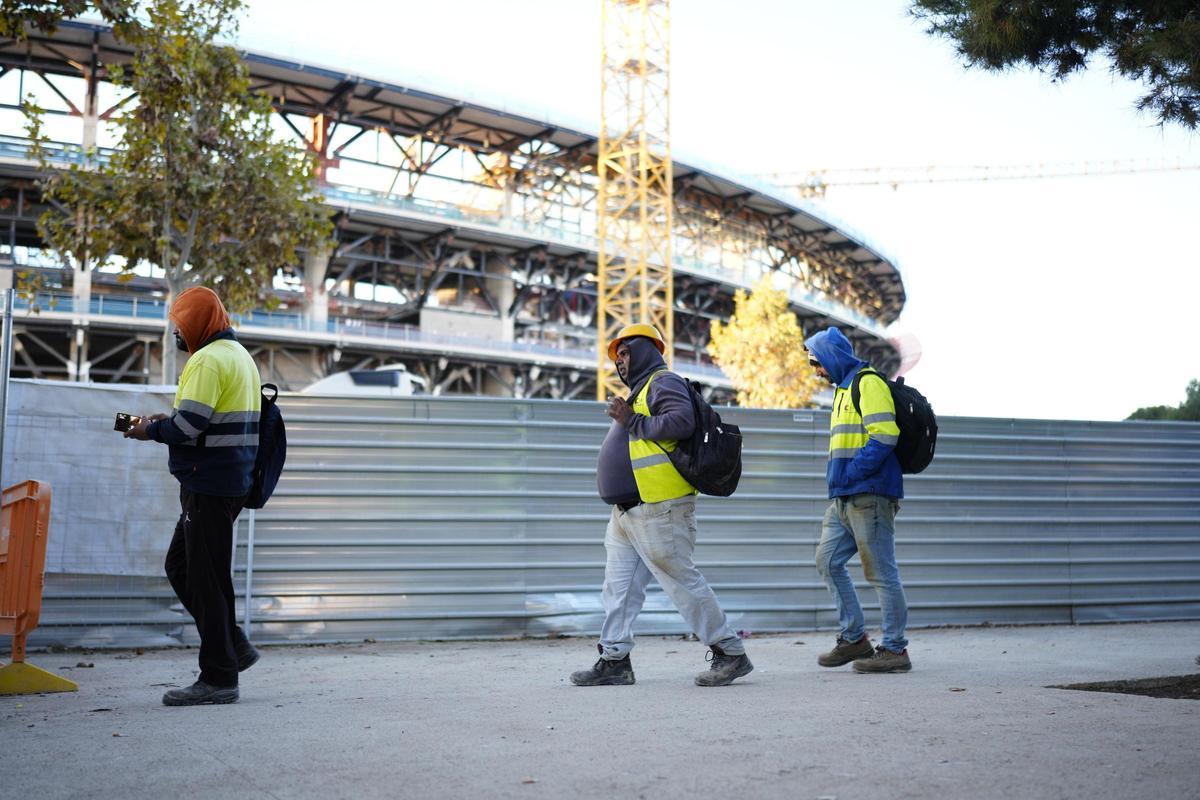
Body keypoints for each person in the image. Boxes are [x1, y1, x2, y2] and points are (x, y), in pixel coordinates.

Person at [570, 323, 752, 687]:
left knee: (681, 582)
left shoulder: (661, 382)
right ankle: (615, 660)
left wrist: (631, 420)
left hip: (659, 507)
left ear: (645, 349)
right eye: (617, 356)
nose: (620, 361)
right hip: (627, 512)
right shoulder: (640, 391)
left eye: (625, 352)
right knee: (618, 589)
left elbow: (681, 422)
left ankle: (730, 652)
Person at [124, 286, 262, 705]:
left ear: (199, 325)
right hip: (228, 482)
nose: (177, 336)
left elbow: (188, 429)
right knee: (191, 568)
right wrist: (172, 420)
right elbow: (204, 419)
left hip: (208, 483)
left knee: (202, 576)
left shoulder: (207, 360)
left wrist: (149, 429)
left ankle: (219, 677)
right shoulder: (240, 356)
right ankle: (232, 645)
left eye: (180, 327)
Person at [804, 327, 911, 673]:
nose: (815, 370)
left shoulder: (868, 383)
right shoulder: (842, 390)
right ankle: (854, 639)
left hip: (869, 495)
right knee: (827, 560)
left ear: (832, 356)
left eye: (816, 362)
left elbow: (885, 436)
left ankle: (895, 649)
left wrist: (851, 474)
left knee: (880, 572)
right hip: (844, 498)